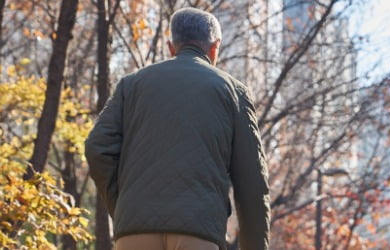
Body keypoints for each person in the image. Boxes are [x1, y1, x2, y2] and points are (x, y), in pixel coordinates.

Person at [85, 7, 270, 250]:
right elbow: (253, 183)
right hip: (198, 233)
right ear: (215, 47)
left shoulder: (130, 86)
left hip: (134, 233)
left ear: (172, 47)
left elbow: (97, 146)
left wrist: (123, 208)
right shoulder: (233, 91)